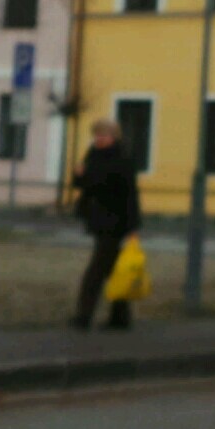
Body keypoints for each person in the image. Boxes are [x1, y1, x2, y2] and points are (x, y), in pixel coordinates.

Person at [73, 118, 142, 330]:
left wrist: (132, 228)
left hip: (115, 221)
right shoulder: (93, 154)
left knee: (95, 271)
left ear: (114, 137)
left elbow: (130, 195)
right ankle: (120, 318)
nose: (99, 139)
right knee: (114, 271)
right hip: (98, 218)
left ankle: (84, 316)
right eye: (97, 135)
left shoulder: (122, 159)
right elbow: (85, 185)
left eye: (103, 135)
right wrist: (78, 176)